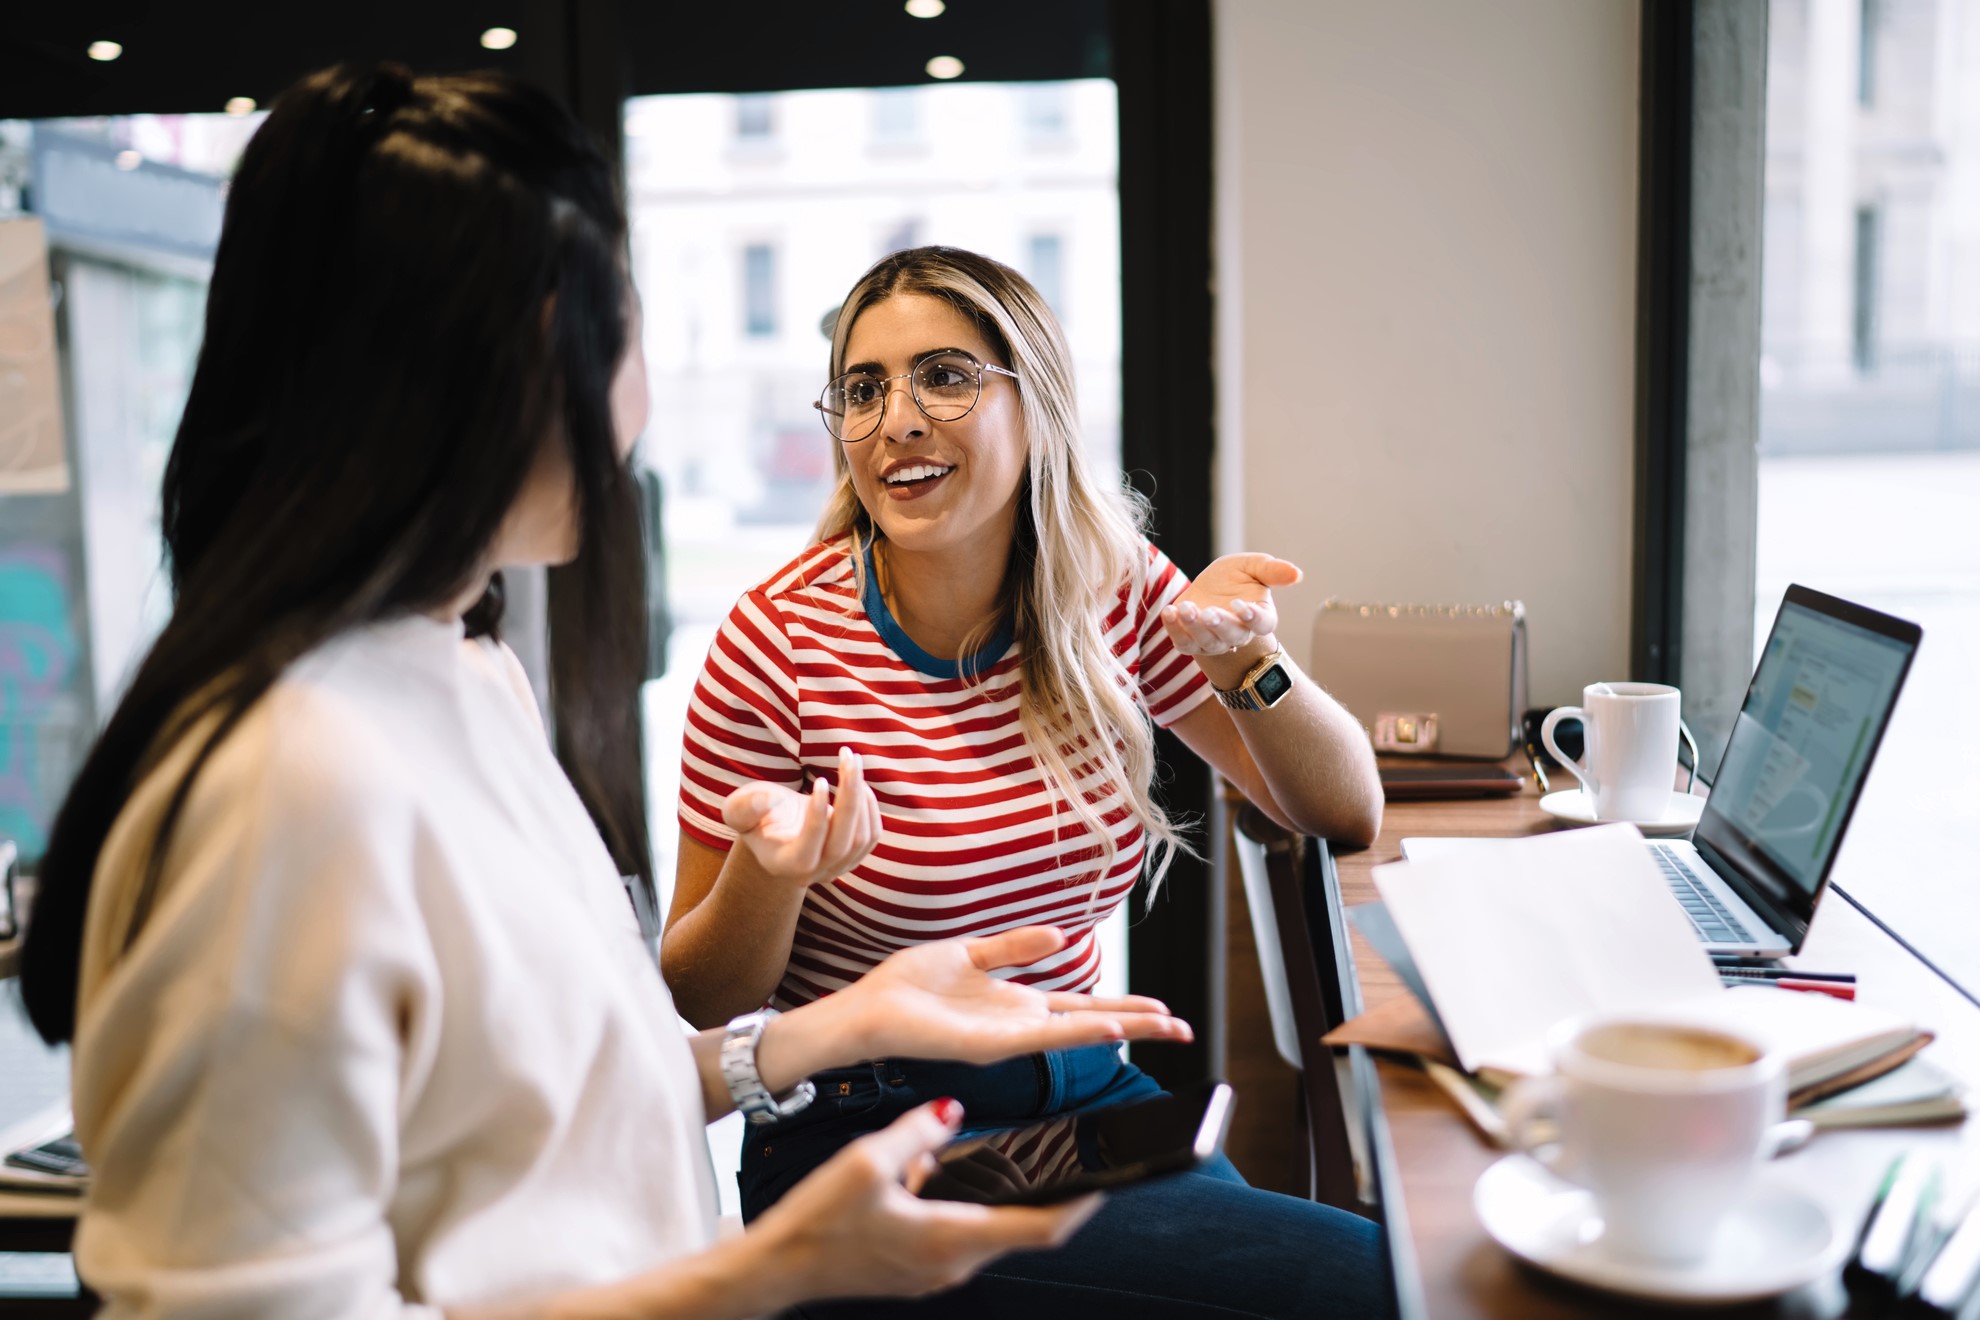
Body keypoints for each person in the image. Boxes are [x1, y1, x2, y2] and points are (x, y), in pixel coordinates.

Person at [17, 67, 1198, 1319]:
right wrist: (770, 1273)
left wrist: (835, 1028)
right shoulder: (280, 786)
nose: (637, 403)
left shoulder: (470, 676)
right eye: (622, 324)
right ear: (512, 363)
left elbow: (565, 1079)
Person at [663, 245, 1388, 1316]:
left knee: (1364, 1272)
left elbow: (1341, 808)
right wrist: (774, 877)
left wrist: (1245, 664)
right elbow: (697, 995)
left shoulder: (1112, 589)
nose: (897, 419)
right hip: (870, 1135)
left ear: (1035, 402)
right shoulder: (777, 643)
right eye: (863, 390)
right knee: (1370, 1282)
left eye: (945, 375)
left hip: (1088, 1096)